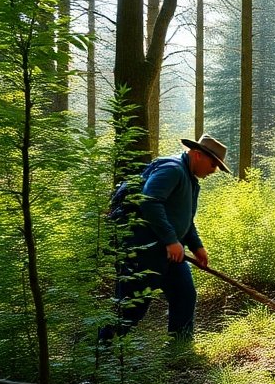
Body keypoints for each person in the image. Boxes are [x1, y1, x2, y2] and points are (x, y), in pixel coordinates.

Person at [98, 134, 230, 343]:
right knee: (131, 308)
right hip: (143, 251)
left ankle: (180, 347)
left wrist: (197, 246)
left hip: (169, 254)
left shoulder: (190, 180)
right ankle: (101, 351)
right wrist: (170, 240)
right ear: (197, 155)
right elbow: (149, 201)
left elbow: (184, 218)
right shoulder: (173, 170)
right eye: (213, 164)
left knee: (185, 295)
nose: (214, 170)